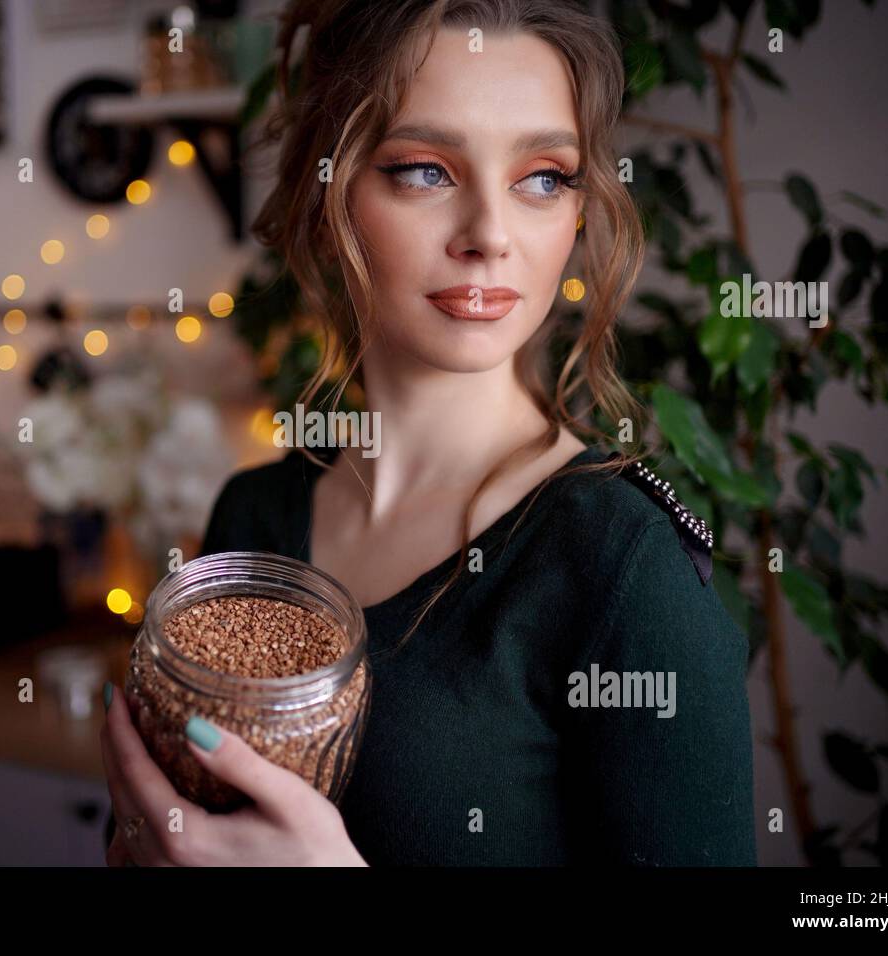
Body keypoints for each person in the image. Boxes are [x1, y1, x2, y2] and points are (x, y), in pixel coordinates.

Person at [100, 0, 756, 866]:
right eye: (424, 170)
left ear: (580, 210)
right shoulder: (252, 520)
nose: (489, 234)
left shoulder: (624, 568)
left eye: (543, 177)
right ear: (329, 189)